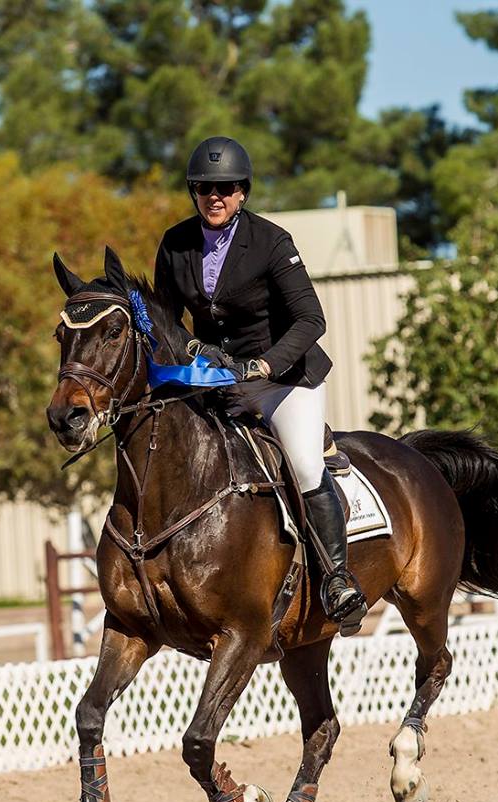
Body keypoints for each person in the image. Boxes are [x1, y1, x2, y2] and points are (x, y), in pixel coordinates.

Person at [154, 135, 367, 634]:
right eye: (204, 188)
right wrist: (191, 350)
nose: (215, 196)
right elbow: (165, 319)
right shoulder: (176, 244)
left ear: (243, 192)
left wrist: (268, 365)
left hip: (283, 380)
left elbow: (311, 319)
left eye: (225, 188)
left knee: (304, 464)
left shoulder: (272, 242)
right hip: (215, 382)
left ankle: (337, 578)